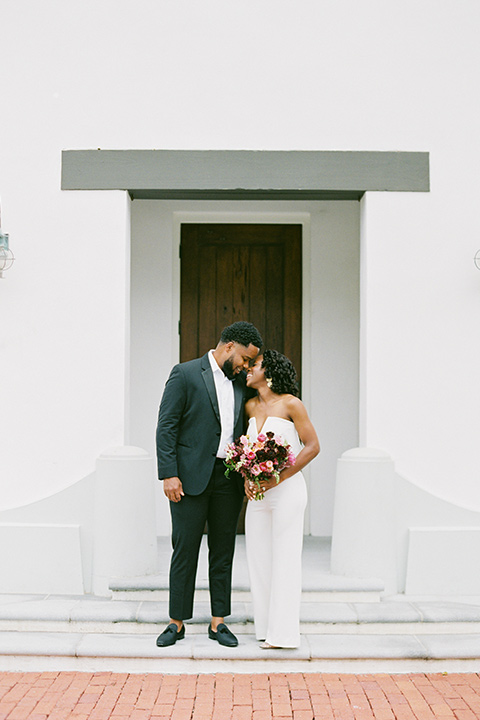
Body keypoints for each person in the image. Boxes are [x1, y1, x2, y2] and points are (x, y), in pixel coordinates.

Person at [155, 321, 263, 648]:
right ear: (229, 346)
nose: (247, 367)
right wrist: (168, 473)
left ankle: (219, 622)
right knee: (184, 548)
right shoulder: (185, 374)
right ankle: (176, 622)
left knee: (223, 549)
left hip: (228, 478)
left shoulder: (242, 384)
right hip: (187, 478)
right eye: (245, 358)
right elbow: (167, 426)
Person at [244, 349, 320, 649]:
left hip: (287, 490)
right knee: (258, 559)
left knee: (285, 559)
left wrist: (280, 476)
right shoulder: (250, 406)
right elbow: (246, 452)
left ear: (270, 372)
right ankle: (265, 629)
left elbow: (312, 446)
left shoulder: (291, 404)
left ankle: (284, 635)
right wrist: (248, 478)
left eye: (256, 365)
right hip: (259, 494)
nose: (249, 368)